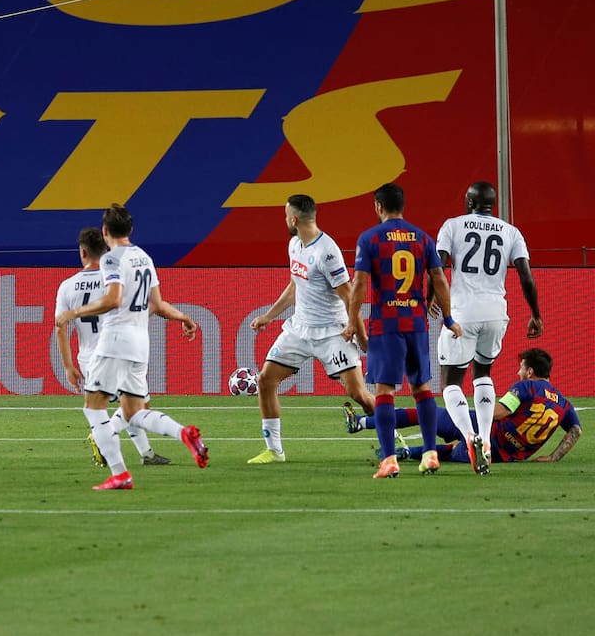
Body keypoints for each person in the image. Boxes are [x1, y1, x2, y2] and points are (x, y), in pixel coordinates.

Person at [54, 203, 207, 491]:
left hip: (114, 342)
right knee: (134, 412)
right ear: (131, 229)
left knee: (94, 408)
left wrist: (74, 313)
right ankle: (183, 432)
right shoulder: (144, 257)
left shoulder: (111, 260)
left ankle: (120, 473)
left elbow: (112, 300)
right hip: (140, 343)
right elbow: (157, 304)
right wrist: (183, 316)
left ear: (105, 231)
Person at [247, 194, 375, 463]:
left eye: (285, 216)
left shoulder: (327, 252)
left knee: (359, 394)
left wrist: (360, 333)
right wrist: (269, 316)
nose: (284, 220)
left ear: (294, 219)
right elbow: (295, 285)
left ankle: (393, 435)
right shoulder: (295, 245)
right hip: (300, 330)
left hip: (332, 332)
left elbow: (348, 295)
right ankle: (274, 450)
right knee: (265, 380)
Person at [346, 183, 461, 478]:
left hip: (387, 324)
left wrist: (351, 320)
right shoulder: (423, 238)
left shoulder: (369, 238)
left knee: (384, 391)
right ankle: (431, 454)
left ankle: (389, 460)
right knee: (421, 388)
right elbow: (439, 278)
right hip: (417, 324)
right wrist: (447, 319)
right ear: (403, 205)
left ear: (378, 207)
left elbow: (358, 284)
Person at [434, 181, 543, 474]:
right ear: (492, 205)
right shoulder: (511, 232)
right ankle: (485, 439)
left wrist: (433, 297)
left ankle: (469, 437)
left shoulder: (453, 226)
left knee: (452, 382)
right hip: (496, 312)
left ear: (469, 203)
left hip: (462, 313)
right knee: (483, 372)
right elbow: (526, 276)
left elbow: (438, 266)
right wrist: (535, 314)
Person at [55, 228, 171, 467]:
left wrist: (68, 366)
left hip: (88, 359)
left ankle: (146, 454)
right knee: (136, 406)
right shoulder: (116, 278)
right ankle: (105, 437)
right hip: (116, 351)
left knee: (125, 406)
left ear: (83, 252)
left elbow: (60, 327)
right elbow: (142, 306)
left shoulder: (67, 286)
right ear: (106, 249)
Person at [346, 348, 580, 466]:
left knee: (424, 413)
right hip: (500, 455)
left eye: (521, 368)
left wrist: (463, 410)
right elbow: (576, 431)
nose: (518, 372)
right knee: (452, 451)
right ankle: (408, 454)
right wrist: (553, 457)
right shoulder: (564, 405)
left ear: (530, 372)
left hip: (482, 428)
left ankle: (361, 423)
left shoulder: (527, 387)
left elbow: (498, 412)